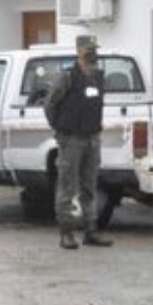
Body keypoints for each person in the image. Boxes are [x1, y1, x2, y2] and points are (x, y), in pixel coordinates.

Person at [43, 34, 113, 250]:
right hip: (71, 139)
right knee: (67, 187)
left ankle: (91, 231)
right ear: (79, 51)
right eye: (89, 49)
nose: (93, 53)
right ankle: (66, 233)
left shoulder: (98, 76)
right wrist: (60, 130)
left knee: (89, 187)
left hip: (92, 138)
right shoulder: (67, 77)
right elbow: (49, 105)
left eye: (95, 49)